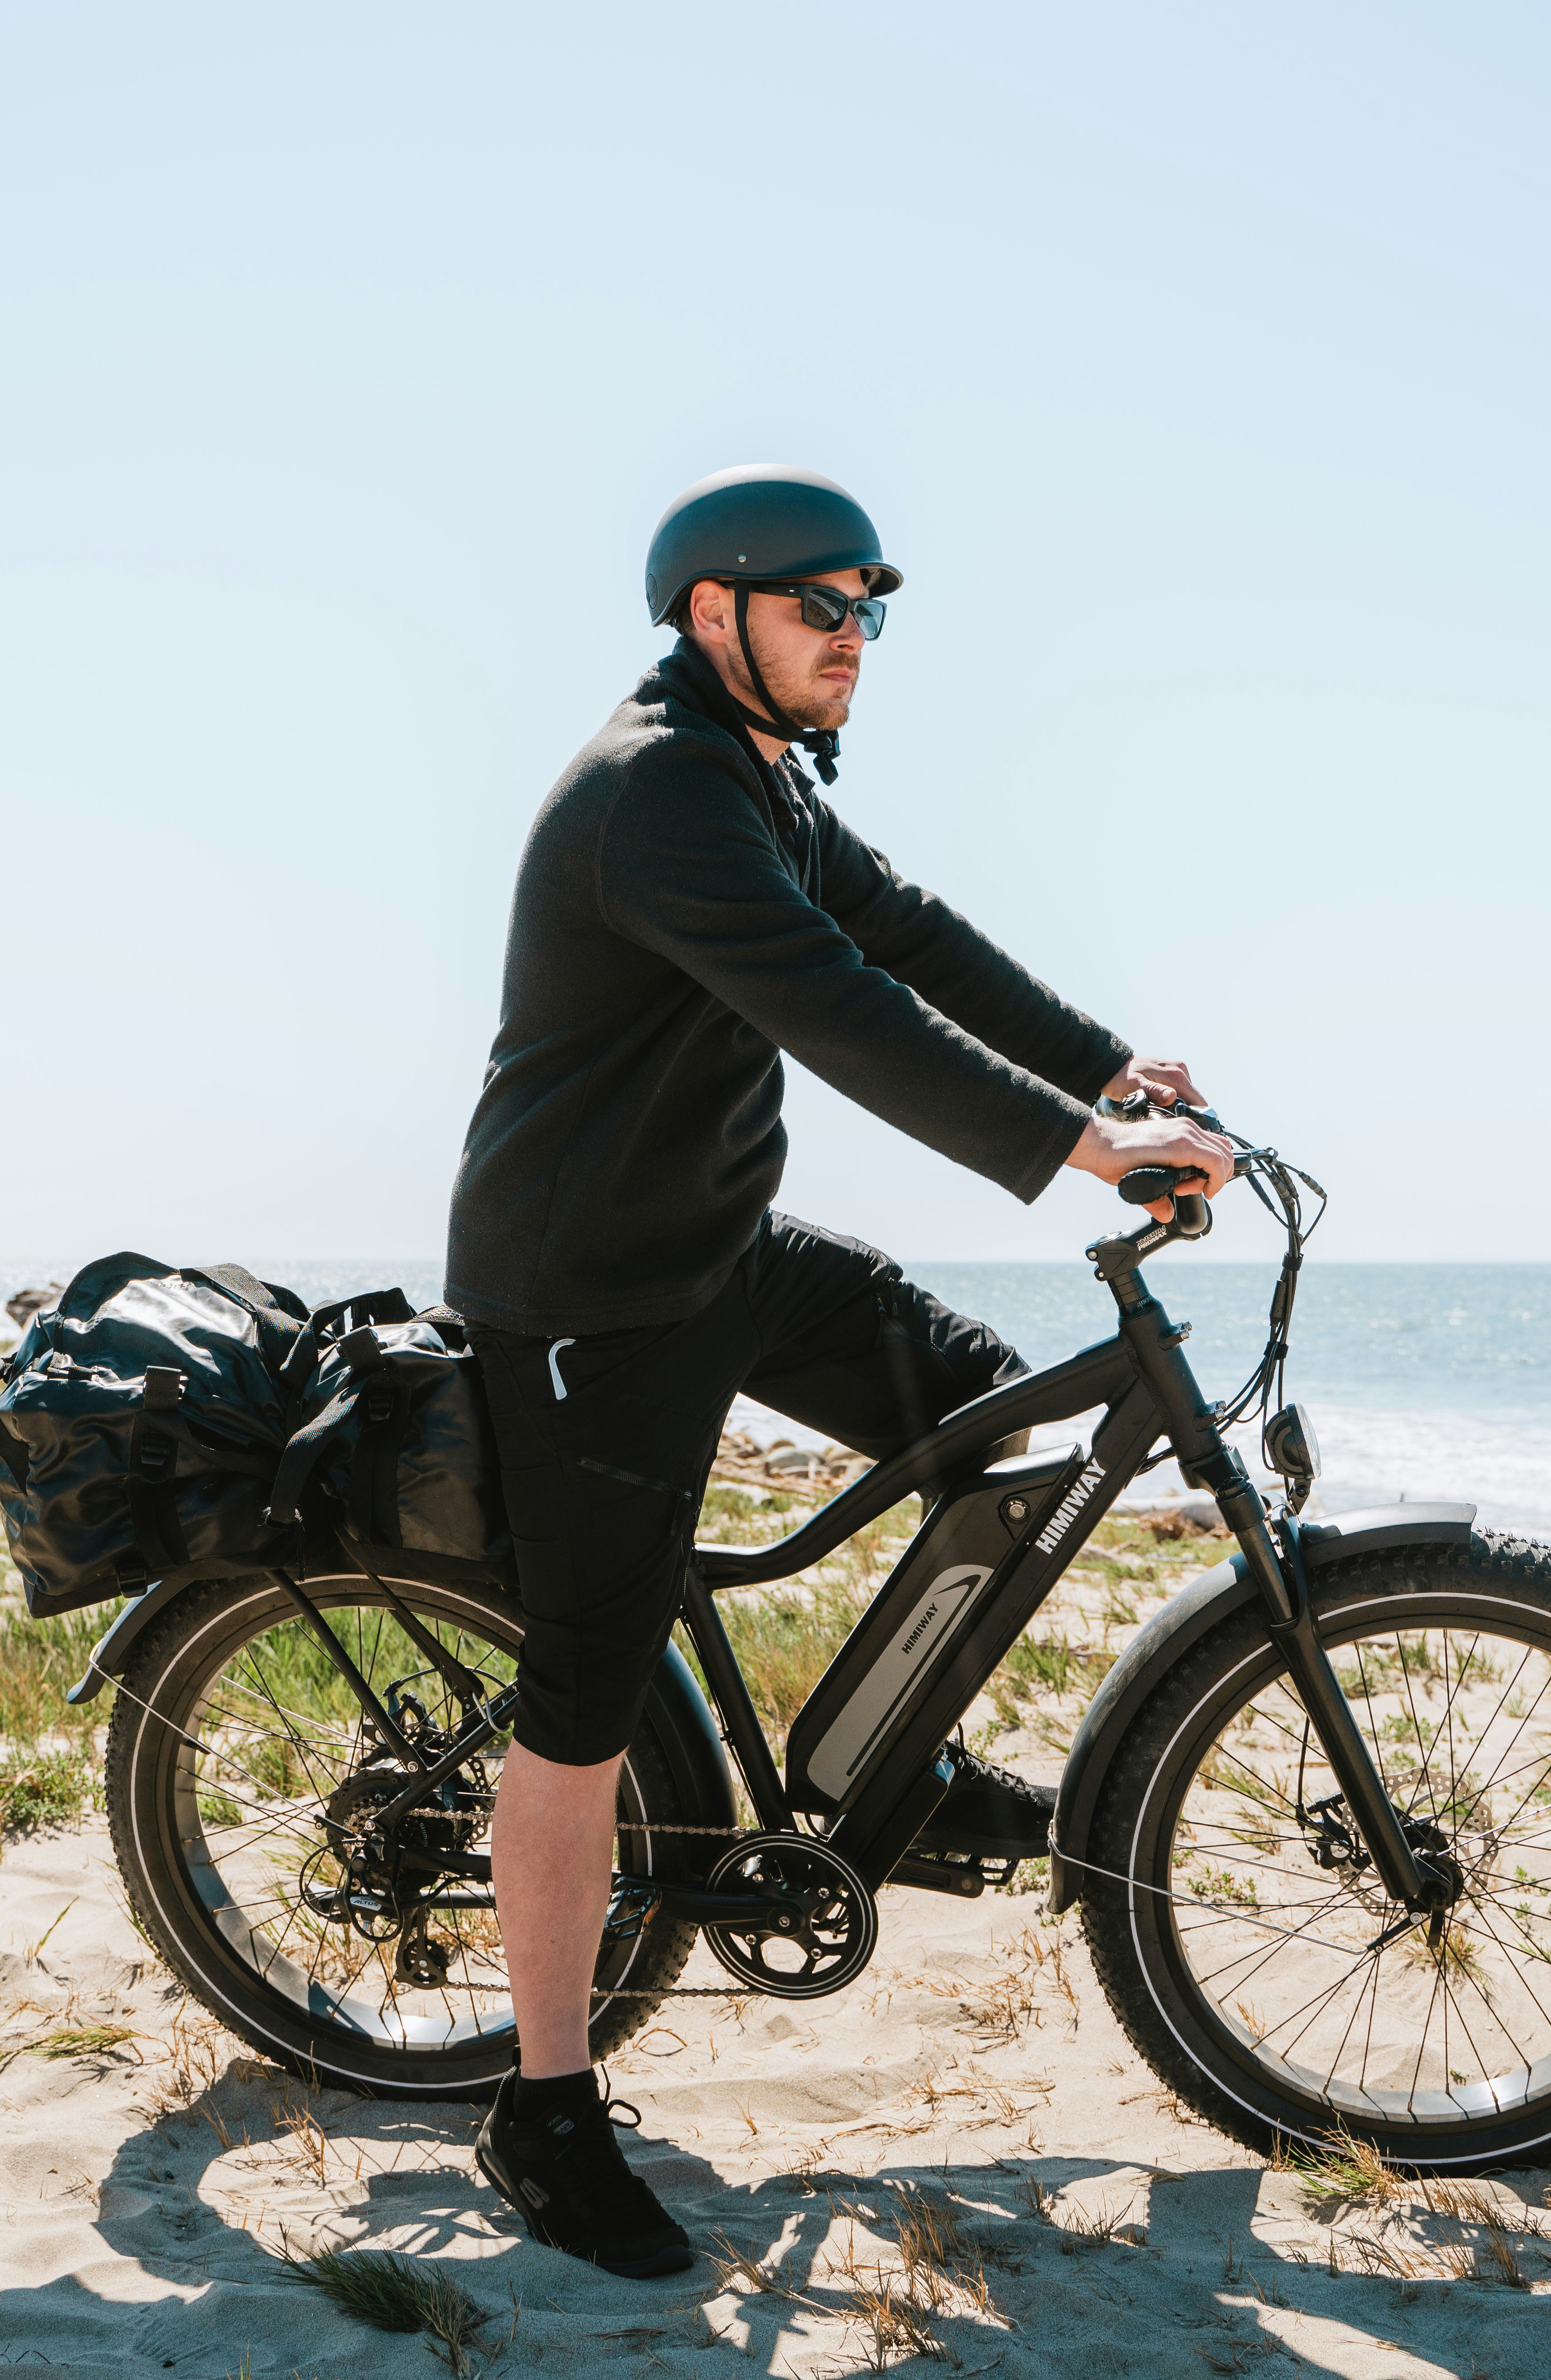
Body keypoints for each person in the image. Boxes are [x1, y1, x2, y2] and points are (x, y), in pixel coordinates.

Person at [442, 464, 1243, 2277]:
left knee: (992, 1439)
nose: (856, 642)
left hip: (719, 1254)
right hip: (586, 1301)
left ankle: (905, 1762)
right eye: (824, 608)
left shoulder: (755, 780)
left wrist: (1120, 1075)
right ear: (713, 613)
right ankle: (545, 2113)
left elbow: (911, 936)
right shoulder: (654, 796)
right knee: (581, 1698)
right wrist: (1078, 1153)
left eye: (872, 612)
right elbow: (843, 1012)